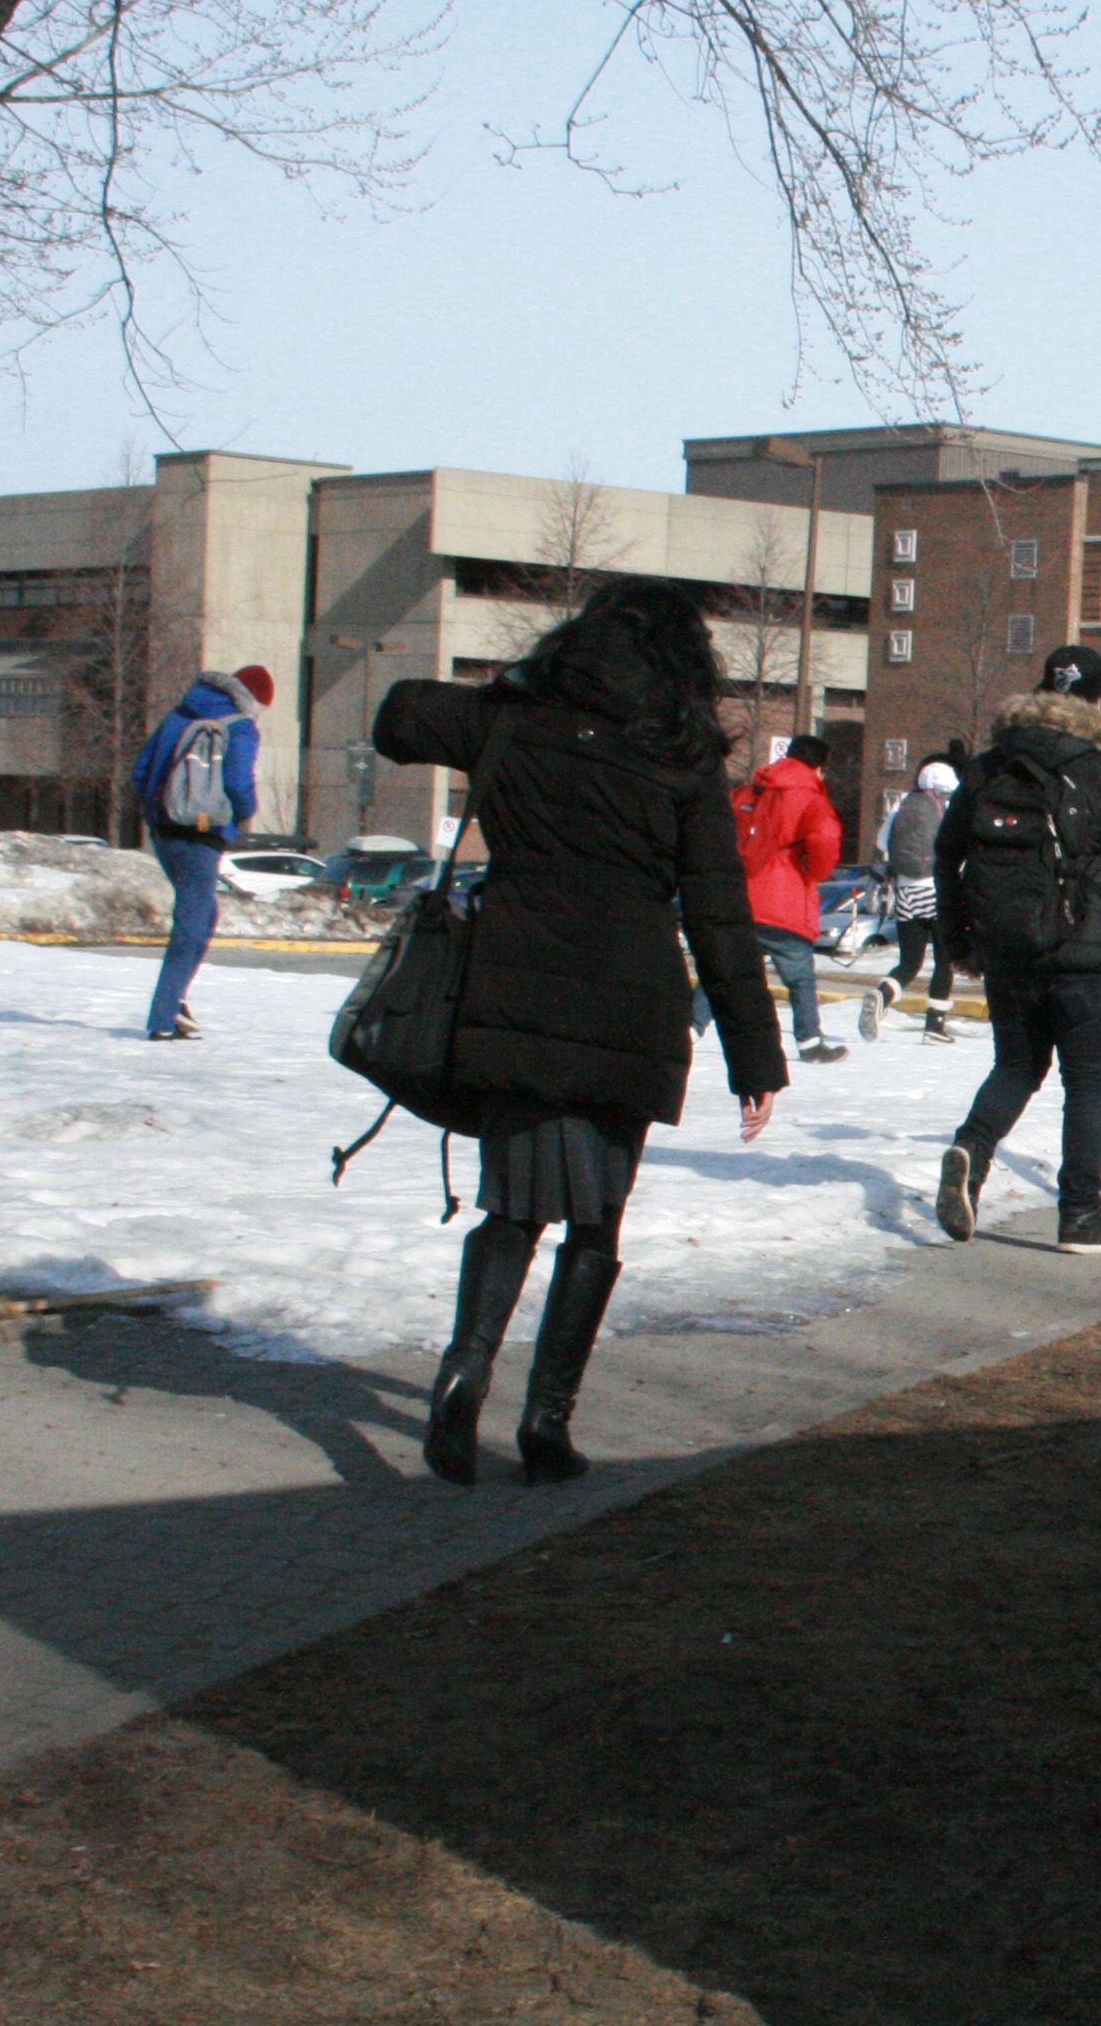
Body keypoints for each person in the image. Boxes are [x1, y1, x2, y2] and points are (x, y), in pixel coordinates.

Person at [371, 580, 788, 1487]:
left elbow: (398, 717)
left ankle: (463, 1371)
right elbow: (720, 915)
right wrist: (755, 1059)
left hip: (514, 990)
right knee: (596, 1219)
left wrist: (505, 692)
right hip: (631, 1004)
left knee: (512, 1205)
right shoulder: (681, 757)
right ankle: (546, 1423)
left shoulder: (515, 720)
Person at [929, 644, 1101, 1255]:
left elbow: (945, 858)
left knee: (1016, 1067)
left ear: (1040, 692)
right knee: (1086, 1085)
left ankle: (973, 1148)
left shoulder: (989, 768)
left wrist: (959, 939)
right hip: (1086, 955)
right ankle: (1080, 1218)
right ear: (1099, 700)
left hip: (1008, 949)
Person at [129, 665, 271, 1041]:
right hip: (202, 834)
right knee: (192, 924)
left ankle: (175, 1005)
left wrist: (160, 815)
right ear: (254, 699)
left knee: (203, 915)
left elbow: (142, 770)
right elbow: (239, 784)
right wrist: (240, 815)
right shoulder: (240, 726)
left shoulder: (179, 714)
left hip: (165, 830)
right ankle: (164, 1016)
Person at [692, 731, 850, 1063]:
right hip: (784, 904)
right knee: (800, 979)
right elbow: (825, 838)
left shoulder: (752, 790)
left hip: (740, 898)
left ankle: (688, 1029)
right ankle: (810, 1042)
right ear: (818, 766)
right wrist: (815, 872)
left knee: (721, 970)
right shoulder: (811, 798)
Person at [861, 753, 960, 1043]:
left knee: (910, 962)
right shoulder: (947, 808)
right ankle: (934, 1026)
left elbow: (882, 843)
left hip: (906, 893)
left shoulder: (902, 805)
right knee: (945, 962)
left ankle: (882, 995)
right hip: (936, 890)